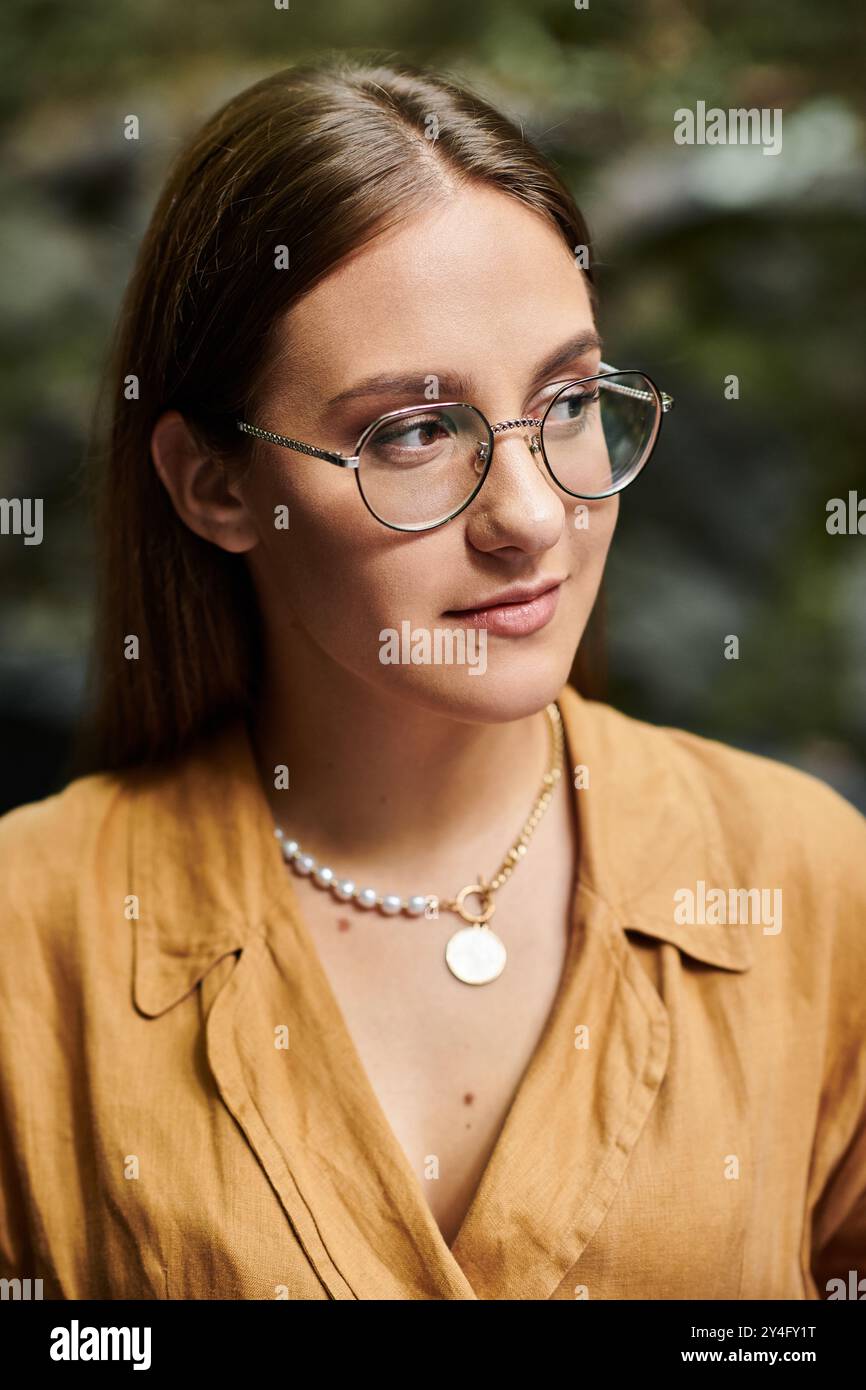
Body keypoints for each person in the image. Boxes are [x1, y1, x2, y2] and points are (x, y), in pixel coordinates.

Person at [1, 57, 864, 1302]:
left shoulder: (806, 886)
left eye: (567, 401)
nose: (531, 515)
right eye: (411, 432)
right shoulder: (37, 941)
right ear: (215, 484)